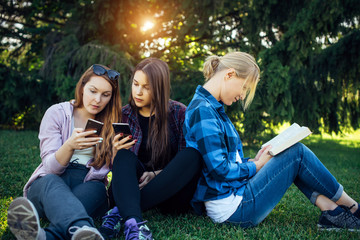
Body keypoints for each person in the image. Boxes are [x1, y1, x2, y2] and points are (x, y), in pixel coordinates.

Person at [183, 52, 360, 231]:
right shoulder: (203, 110)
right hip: (233, 210)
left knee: (290, 153)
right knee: (296, 152)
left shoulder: (209, 108)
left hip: (234, 196)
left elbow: (222, 162)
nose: (243, 96)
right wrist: (257, 166)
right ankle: (353, 207)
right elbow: (219, 169)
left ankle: (332, 211)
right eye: (244, 87)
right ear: (229, 75)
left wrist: (253, 161)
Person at [7, 64, 122, 240]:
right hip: (48, 186)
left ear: (111, 98)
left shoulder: (111, 123)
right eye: (93, 91)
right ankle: (81, 227)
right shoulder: (57, 113)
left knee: (98, 189)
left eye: (105, 95)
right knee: (51, 180)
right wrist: (69, 145)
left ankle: (46, 236)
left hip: (86, 183)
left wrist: (119, 152)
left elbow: (116, 170)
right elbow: (51, 168)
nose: (97, 100)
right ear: (82, 87)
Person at [99, 58, 202, 240]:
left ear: (160, 88)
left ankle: (120, 212)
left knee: (193, 155)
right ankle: (134, 224)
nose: (138, 92)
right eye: (136, 84)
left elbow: (182, 163)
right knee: (123, 155)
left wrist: (156, 175)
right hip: (133, 186)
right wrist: (114, 152)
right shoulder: (124, 114)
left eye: (146, 87)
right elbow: (118, 170)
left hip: (170, 193)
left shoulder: (179, 113)